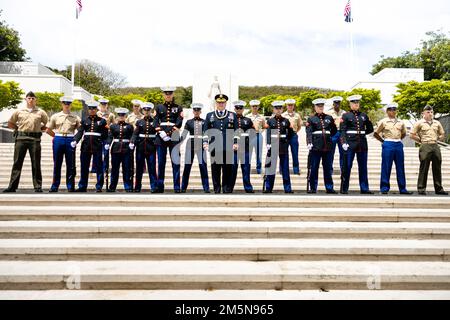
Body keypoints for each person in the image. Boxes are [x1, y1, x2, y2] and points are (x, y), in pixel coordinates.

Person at [3, 91, 49, 193]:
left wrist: (38, 128)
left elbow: (46, 124)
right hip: (21, 139)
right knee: (17, 163)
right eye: (29, 98)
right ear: (26, 99)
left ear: (35, 100)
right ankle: (12, 186)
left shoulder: (41, 112)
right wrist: (17, 128)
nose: (31, 100)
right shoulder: (19, 111)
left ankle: (37, 186)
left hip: (35, 140)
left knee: (36, 163)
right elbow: (11, 123)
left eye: (33, 98)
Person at [203, 94, 239, 193]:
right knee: (215, 169)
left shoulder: (232, 115)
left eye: (223, 102)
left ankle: (226, 188)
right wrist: (205, 142)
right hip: (214, 146)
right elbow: (205, 130)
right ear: (216, 103)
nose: (221, 104)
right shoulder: (210, 115)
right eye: (219, 102)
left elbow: (236, 130)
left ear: (226, 103)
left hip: (228, 146)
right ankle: (217, 188)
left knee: (227, 169)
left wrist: (236, 142)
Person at [373, 103, 412, 195]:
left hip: (398, 144)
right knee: (386, 166)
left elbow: (403, 133)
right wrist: (383, 141)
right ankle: (384, 188)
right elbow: (376, 133)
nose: (393, 111)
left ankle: (402, 188)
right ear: (387, 111)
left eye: (394, 110)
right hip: (388, 143)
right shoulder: (383, 121)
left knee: (400, 167)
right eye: (390, 110)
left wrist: (397, 140)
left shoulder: (400, 122)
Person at [339, 94, 374, 194]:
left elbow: (370, 128)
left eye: (357, 103)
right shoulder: (345, 116)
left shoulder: (363, 115)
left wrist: (361, 134)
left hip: (362, 143)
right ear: (350, 104)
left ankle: (364, 188)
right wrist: (344, 142)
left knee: (363, 167)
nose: (356, 104)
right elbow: (342, 130)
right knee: (347, 166)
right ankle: (344, 188)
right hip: (350, 144)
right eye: (354, 103)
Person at [410, 105, 448, 195]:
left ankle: (439, 189)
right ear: (423, 113)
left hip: (435, 145)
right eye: (428, 112)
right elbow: (412, 134)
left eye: (431, 112)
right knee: (424, 167)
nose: (430, 114)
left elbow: (442, 133)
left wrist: (438, 139)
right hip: (425, 145)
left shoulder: (437, 123)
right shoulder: (419, 123)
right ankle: (421, 188)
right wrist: (421, 141)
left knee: (437, 167)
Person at [46, 96, 81, 192]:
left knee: (71, 164)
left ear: (71, 105)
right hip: (58, 138)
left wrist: (75, 139)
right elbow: (48, 130)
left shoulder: (75, 117)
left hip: (70, 139)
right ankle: (55, 185)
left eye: (68, 104)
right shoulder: (55, 116)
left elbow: (80, 130)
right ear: (62, 104)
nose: (67, 105)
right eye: (65, 103)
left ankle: (70, 185)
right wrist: (56, 136)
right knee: (57, 163)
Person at [72, 101, 108, 192]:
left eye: (94, 109)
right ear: (88, 110)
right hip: (86, 146)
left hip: (97, 146)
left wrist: (106, 143)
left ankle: (99, 186)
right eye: (90, 109)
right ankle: (82, 186)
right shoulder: (84, 120)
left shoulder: (102, 121)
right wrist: (75, 140)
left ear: (96, 109)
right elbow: (80, 131)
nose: (92, 110)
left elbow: (105, 134)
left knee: (99, 167)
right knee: (84, 167)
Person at [153, 87, 184, 193]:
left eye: (170, 94)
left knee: (176, 162)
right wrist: (161, 133)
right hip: (160, 137)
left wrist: (169, 133)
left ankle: (176, 186)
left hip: (174, 136)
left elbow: (179, 121)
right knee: (161, 163)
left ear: (172, 95)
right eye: (166, 94)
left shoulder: (178, 107)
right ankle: (160, 186)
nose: (168, 96)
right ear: (164, 95)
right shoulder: (158, 107)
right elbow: (155, 121)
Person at [305, 98, 338, 194]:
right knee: (314, 167)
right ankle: (313, 187)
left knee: (328, 168)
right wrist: (309, 142)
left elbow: (334, 130)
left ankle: (329, 187)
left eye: (322, 106)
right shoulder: (311, 119)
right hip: (316, 147)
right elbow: (308, 131)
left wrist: (329, 138)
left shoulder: (329, 117)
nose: (320, 108)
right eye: (318, 106)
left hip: (327, 146)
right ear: (315, 107)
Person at [263, 100, 294, 193]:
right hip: (273, 146)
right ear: (273, 109)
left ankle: (287, 188)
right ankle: (268, 188)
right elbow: (268, 133)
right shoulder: (270, 120)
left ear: (282, 109)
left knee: (285, 168)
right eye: (276, 109)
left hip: (283, 146)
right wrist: (268, 143)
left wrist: (287, 141)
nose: (278, 110)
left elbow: (291, 133)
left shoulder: (286, 121)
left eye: (280, 108)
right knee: (271, 168)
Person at [181, 103, 210, 193]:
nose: (196, 112)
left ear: (200, 111)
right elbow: (184, 134)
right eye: (195, 110)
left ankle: (206, 187)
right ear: (193, 111)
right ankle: (183, 187)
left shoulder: (205, 121)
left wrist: (206, 142)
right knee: (187, 166)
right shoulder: (189, 122)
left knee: (203, 166)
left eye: (198, 110)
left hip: (201, 144)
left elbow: (206, 133)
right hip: (191, 144)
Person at [131, 102, 158, 193]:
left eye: (148, 110)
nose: (146, 112)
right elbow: (135, 133)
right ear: (143, 110)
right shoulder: (139, 122)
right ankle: (137, 186)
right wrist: (132, 142)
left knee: (152, 168)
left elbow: (157, 133)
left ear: (150, 111)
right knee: (139, 168)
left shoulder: (155, 121)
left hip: (151, 147)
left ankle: (153, 186)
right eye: (145, 110)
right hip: (140, 147)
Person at [106, 108, 134, 192]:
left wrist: (132, 142)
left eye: (123, 115)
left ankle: (127, 186)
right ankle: (112, 186)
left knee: (126, 169)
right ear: (117, 116)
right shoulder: (113, 126)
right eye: (120, 115)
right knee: (115, 169)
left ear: (125, 116)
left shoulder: (129, 126)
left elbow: (132, 136)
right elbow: (110, 136)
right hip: (115, 149)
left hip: (126, 149)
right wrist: (108, 143)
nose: (121, 117)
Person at [230, 100, 254, 193]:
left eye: (240, 108)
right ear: (234, 109)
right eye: (237, 108)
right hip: (233, 148)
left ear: (243, 109)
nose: (239, 109)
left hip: (245, 147)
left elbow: (252, 132)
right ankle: (230, 187)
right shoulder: (230, 120)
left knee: (246, 168)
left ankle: (248, 187)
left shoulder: (247, 120)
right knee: (232, 168)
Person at [282, 99, 302, 175]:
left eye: (291, 105)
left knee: (295, 153)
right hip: (284, 136)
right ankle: (283, 170)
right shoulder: (283, 115)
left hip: (293, 136)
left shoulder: (297, 115)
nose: (290, 106)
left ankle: (296, 170)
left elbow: (299, 125)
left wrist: (295, 132)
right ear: (286, 106)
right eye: (288, 105)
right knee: (284, 153)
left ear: (293, 106)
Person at [246, 99, 266, 174]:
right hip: (250, 136)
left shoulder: (261, 117)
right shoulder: (247, 116)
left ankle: (259, 168)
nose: (254, 107)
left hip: (258, 136)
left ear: (258, 107)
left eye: (256, 106)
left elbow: (264, 126)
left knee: (259, 153)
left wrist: (261, 131)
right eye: (253, 106)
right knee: (249, 153)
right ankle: (247, 168)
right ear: (251, 107)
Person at [328, 96, 345, 173]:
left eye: (338, 103)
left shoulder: (344, 113)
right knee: (331, 152)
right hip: (333, 133)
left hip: (341, 133)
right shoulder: (328, 113)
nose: (337, 105)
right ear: (333, 104)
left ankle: (343, 169)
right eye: (335, 103)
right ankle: (329, 169)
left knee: (343, 152)